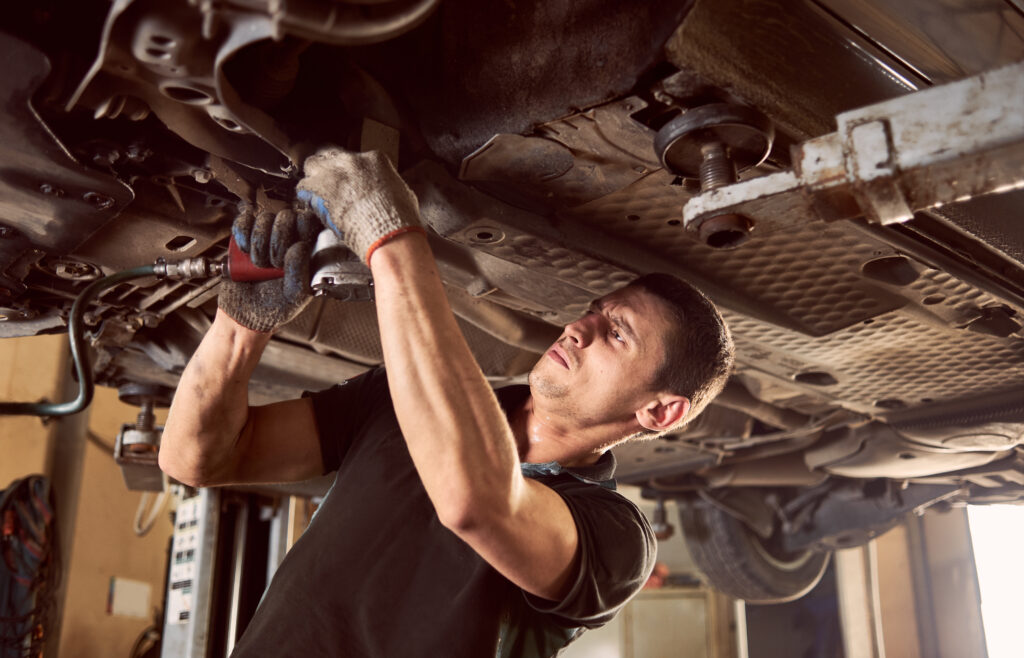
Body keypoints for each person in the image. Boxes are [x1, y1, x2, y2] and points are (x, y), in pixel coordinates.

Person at [159, 149, 734, 657]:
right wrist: (240, 326)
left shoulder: (617, 541)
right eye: (594, 309)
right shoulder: (401, 397)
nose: (579, 326)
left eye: (617, 333)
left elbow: (477, 503)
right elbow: (198, 459)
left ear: (660, 412)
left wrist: (390, 237)